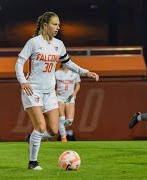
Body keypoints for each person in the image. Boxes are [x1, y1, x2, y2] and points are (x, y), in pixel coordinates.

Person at [15, 11, 99, 170]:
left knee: (53, 130)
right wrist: (23, 81)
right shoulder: (34, 42)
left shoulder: (58, 45)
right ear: (45, 25)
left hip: (50, 93)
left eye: (59, 24)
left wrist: (85, 72)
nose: (58, 27)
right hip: (33, 90)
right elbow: (19, 63)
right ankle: (33, 162)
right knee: (40, 126)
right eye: (54, 24)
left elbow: (68, 63)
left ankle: (32, 137)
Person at [55, 64, 81, 142]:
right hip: (60, 98)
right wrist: (54, 91)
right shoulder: (56, 73)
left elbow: (78, 84)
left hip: (70, 98)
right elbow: (51, 84)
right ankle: (64, 138)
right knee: (61, 118)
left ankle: (60, 126)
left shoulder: (74, 72)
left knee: (69, 120)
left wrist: (75, 93)